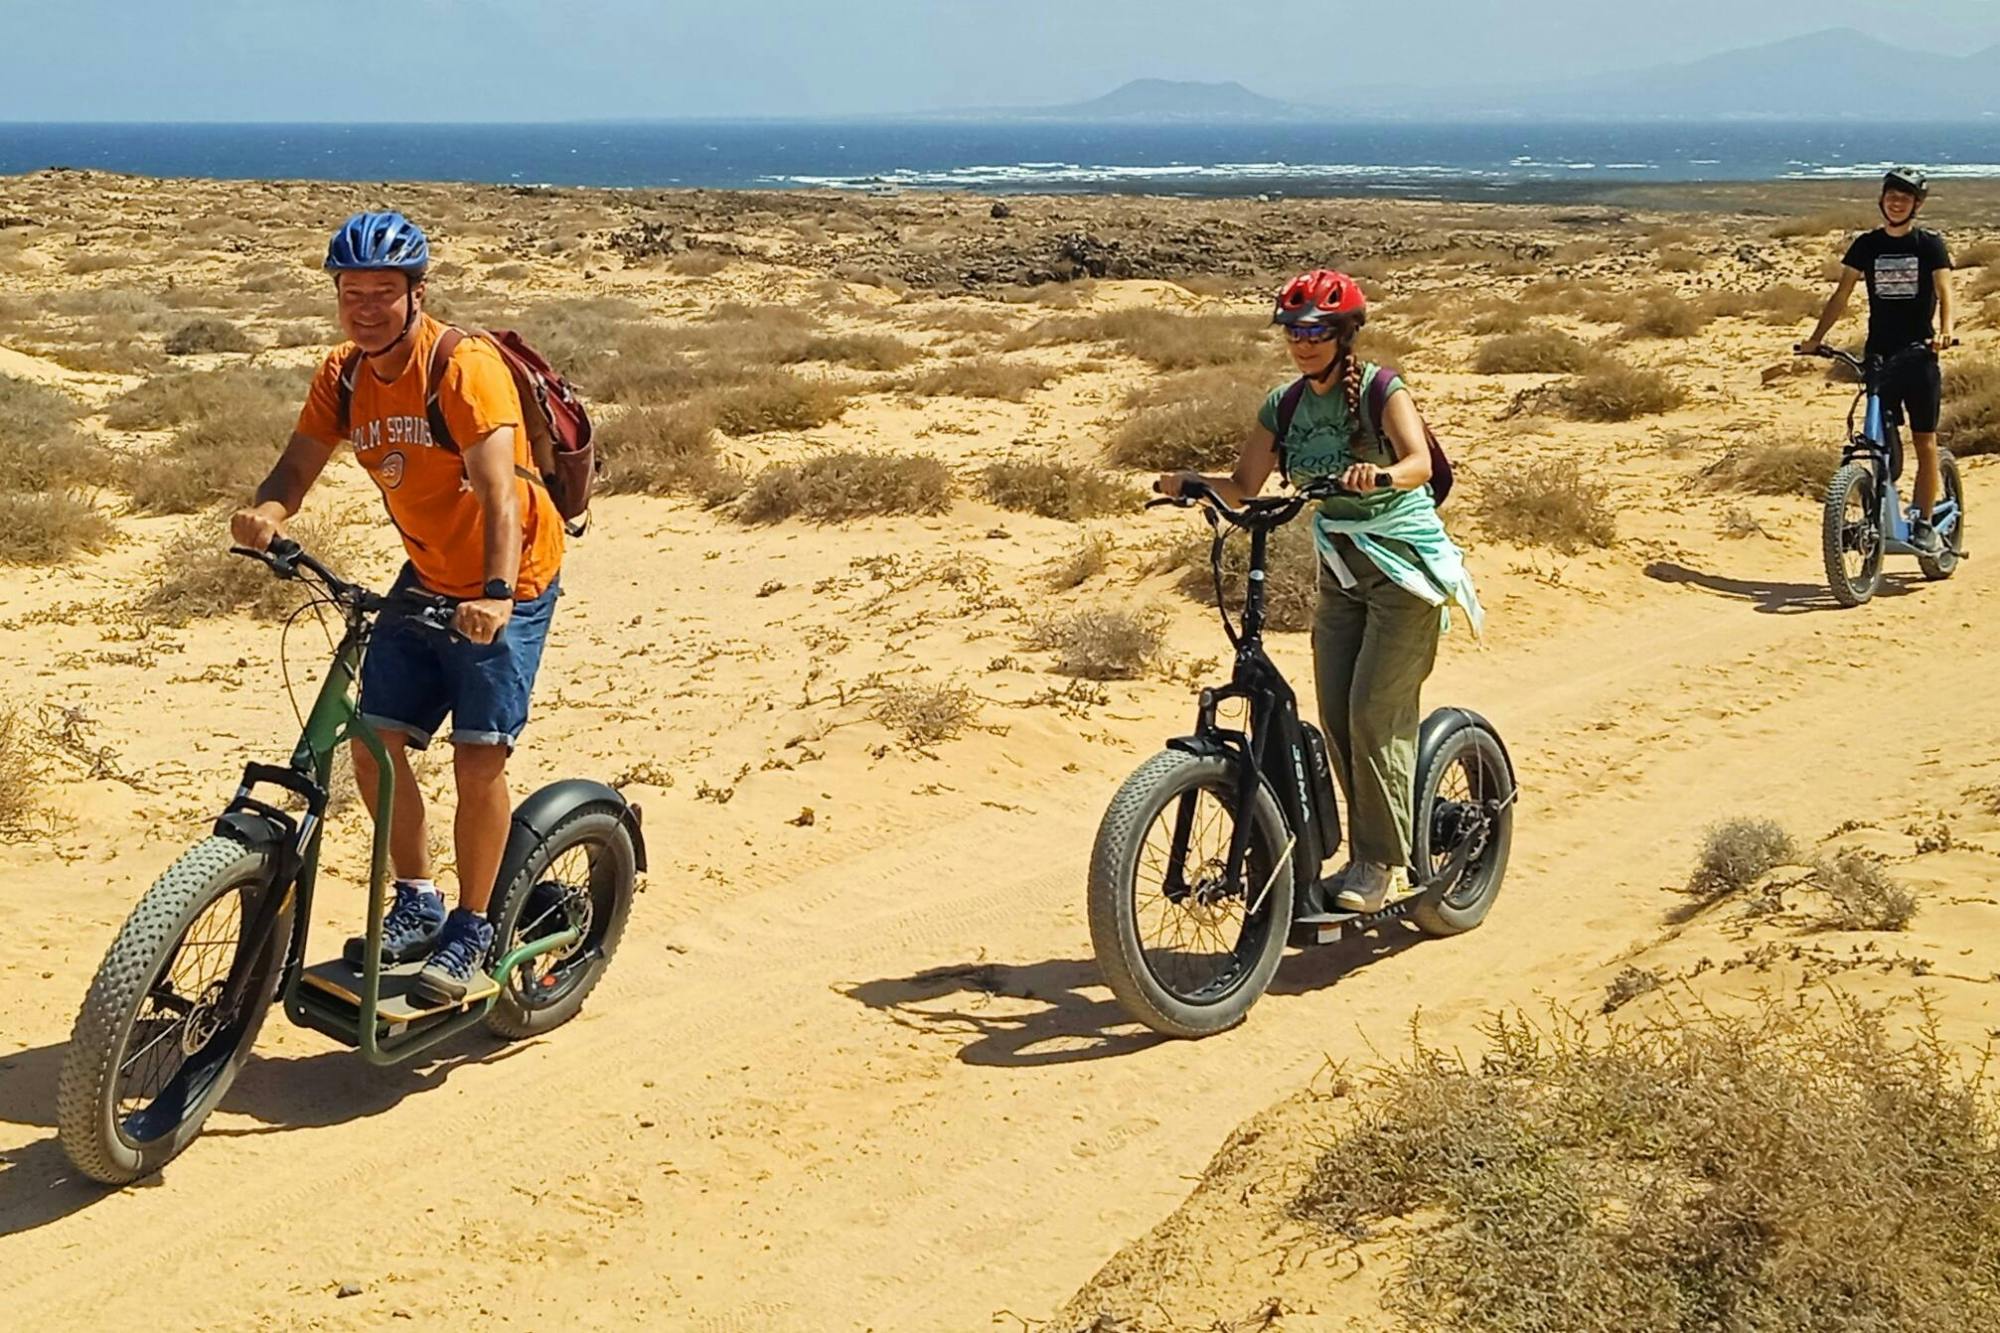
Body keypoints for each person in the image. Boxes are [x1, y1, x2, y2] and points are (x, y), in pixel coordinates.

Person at [230, 210, 566, 1002]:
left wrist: (491, 596)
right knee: (374, 742)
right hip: (428, 571)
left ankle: (476, 924)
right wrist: (270, 512)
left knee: (477, 756)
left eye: (385, 291)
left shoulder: (462, 367)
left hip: (507, 574)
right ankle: (417, 898)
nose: (367, 305)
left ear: (417, 294)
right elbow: (297, 464)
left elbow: (498, 493)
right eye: (353, 291)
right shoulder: (343, 375)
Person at [1156, 270, 1481, 913]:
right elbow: (1245, 483)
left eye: (1317, 331)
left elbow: (1418, 462)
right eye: (1294, 331)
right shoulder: (1285, 405)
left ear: (1343, 334)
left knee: (1371, 713)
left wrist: (1378, 475)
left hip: (1405, 572)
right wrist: (1193, 482)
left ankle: (1378, 865)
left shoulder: (1382, 389)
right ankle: (1355, 842)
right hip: (1342, 573)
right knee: (1334, 713)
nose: (1303, 343)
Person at [1799, 167, 1955, 554]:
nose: (1896, 202)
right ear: (1882, 200)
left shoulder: (1928, 244)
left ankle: (1923, 521)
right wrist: (1815, 340)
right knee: (1874, 438)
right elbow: (1842, 295)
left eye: (1904, 198)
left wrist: (1945, 330)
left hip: (1920, 353)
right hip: (1880, 355)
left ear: (1916, 205)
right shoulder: (1867, 246)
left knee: (1925, 441)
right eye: (1891, 196)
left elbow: (1945, 292)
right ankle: (1874, 499)